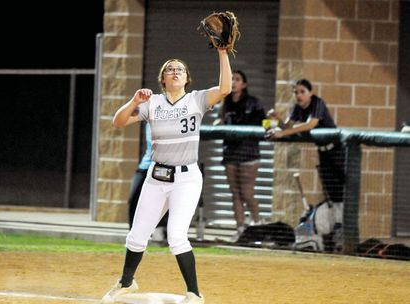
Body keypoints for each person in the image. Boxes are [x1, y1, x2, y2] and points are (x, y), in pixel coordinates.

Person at [102, 46, 232, 304]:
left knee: (176, 235)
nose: (175, 72)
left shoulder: (196, 99)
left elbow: (225, 88)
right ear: (162, 79)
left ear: (187, 78)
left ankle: (194, 293)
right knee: (137, 234)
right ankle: (127, 282)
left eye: (180, 70)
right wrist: (134, 101)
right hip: (156, 176)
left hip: (186, 178)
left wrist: (223, 52)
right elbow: (118, 121)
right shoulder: (153, 103)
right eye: (170, 69)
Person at [266, 78, 346, 251]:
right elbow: (289, 125)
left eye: (302, 92)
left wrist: (283, 133)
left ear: (310, 92)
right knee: (332, 192)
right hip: (323, 153)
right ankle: (336, 230)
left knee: (343, 190)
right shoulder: (297, 107)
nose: (299, 95)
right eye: (296, 92)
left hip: (337, 151)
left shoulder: (317, 103)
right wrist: (277, 119)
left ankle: (343, 228)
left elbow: (310, 125)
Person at [214, 70, 266, 240]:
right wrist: (218, 122)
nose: (234, 82)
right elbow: (219, 120)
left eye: (237, 80)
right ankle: (240, 229)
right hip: (230, 153)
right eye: (231, 79)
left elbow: (263, 124)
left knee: (247, 193)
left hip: (249, 154)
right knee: (235, 194)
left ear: (244, 84)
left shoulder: (254, 103)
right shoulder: (225, 104)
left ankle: (257, 226)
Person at [128, 122, 168, 242]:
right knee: (134, 198)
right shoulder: (149, 119)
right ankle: (134, 234)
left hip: (163, 167)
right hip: (145, 166)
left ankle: (159, 230)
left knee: (160, 201)